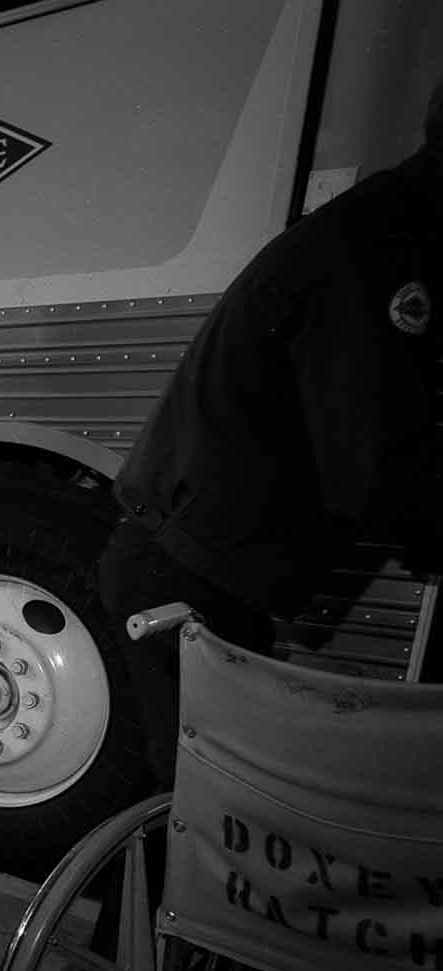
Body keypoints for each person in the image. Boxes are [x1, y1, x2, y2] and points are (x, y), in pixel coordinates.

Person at [100, 84, 443, 789]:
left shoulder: (388, 230)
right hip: (185, 580)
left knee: (194, 807)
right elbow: (372, 460)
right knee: (200, 809)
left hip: (202, 572)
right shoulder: (379, 247)